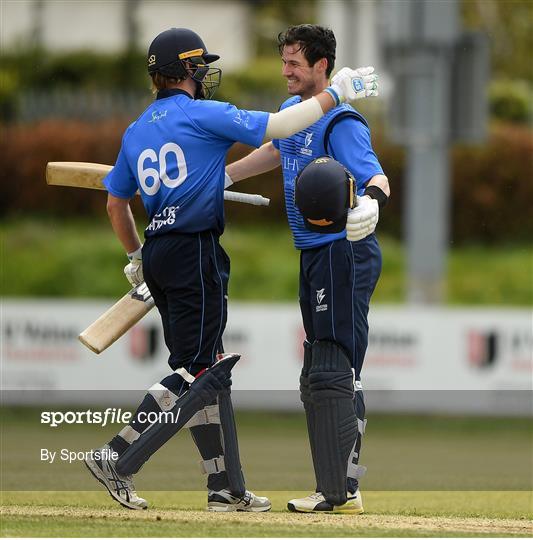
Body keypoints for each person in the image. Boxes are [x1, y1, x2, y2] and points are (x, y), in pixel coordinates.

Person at [82, 26, 379, 512]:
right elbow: (280, 130)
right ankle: (117, 456)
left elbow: (117, 204)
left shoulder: (136, 129)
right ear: (187, 72)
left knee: (204, 367)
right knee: (203, 371)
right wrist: (335, 93)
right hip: (195, 252)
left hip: (156, 250)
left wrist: (136, 257)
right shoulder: (203, 113)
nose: (205, 75)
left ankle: (226, 487)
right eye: (200, 67)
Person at [225, 24, 390, 514]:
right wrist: (221, 176)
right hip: (315, 252)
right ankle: (341, 486)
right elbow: (274, 151)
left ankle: (341, 488)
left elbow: (375, 177)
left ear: (323, 66)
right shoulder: (292, 115)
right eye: (284, 62)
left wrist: (372, 204)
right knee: (324, 367)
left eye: (294, 63)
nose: (285, 71)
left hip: (344, 252)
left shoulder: (341, 122)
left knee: (335, 368)